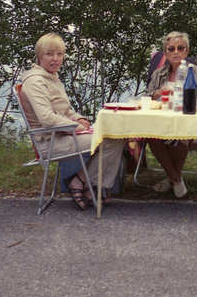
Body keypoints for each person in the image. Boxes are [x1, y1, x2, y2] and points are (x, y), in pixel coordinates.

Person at [19, 32, 125, 210]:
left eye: (59, 54)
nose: (55, 59)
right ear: (39, 56)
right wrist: (78, 128)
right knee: (112, 140)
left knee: (113, 137)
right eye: (49, 54)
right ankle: (90, 186)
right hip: (49, 141)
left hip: (61, 135)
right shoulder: (35, 82)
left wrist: (80, 119)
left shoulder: (51, 76)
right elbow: (47, 118)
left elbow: (65, 110)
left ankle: (81, 180)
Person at [146, 31, 197, 197]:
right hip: (162, 123)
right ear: (166, 52)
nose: (175, 52)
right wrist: (158, 93)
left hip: (189, 125)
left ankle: (172, 178)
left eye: (180, 48)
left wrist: (187, 97)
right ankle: (176, 179)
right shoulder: (159, 74)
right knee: (151, 136)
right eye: (171, 48)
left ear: (186, 51)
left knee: (181, 136)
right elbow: (147, 97)